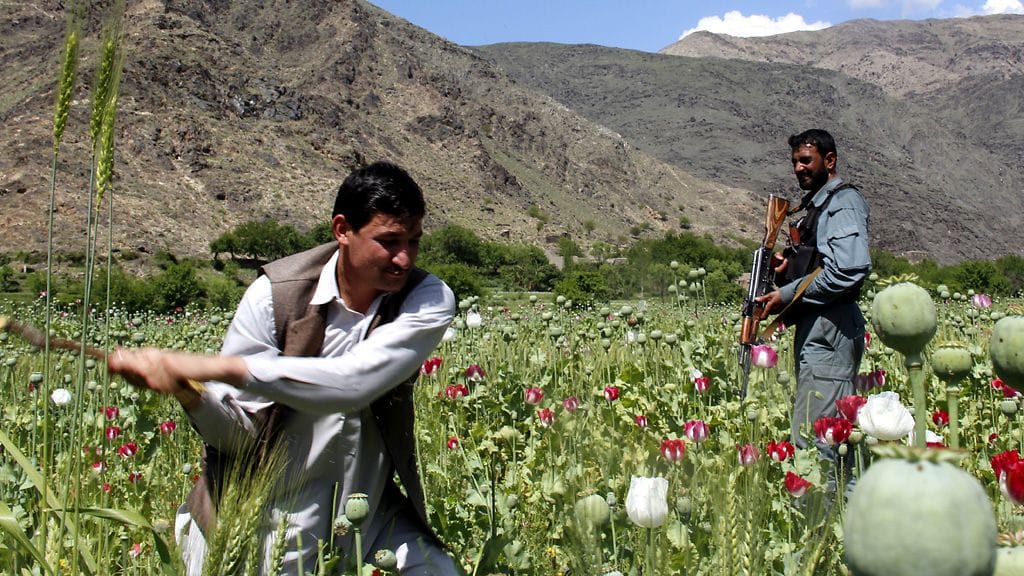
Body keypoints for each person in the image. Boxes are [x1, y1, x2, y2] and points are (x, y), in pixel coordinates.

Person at [108, 161, 460, 575]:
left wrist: (220, 367)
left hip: (368, 513)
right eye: (389, 240)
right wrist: (188, 391)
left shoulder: (427, 298)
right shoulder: (273, 298)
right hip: (270, 519)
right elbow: (237, 435)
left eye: (414, 241)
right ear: (343, 230)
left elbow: (352, 383)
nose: (404, 258)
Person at [756, 129, 871, 484]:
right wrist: (787, 270)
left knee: (820, 440)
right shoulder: (818, 206)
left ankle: (827, 523)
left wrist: (787, 295)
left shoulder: (842, 202)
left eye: (806, 160)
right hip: (818, 327)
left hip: (831, 328)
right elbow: (820, 265)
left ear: (830, 160)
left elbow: (848, 269)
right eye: (795, 162)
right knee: (822, 434)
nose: (799, 168)